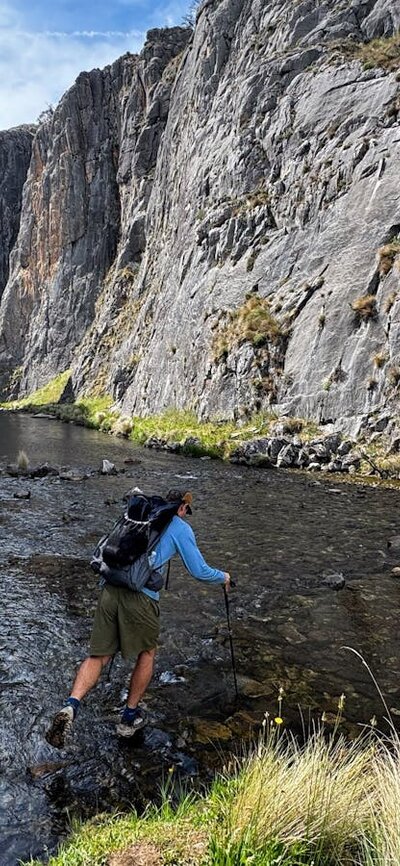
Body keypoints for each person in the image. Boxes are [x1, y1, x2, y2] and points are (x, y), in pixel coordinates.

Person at [46, 489, 231, 748]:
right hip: (140, 597)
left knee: (98, 655)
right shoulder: (180, 528)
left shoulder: (137, 517)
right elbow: (199, 571)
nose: (185, 515)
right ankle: (128, 719)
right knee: (147, 653)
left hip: (110, 589)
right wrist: (223, 577)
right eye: (186, 511)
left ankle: (70, 707)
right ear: (181, 508)